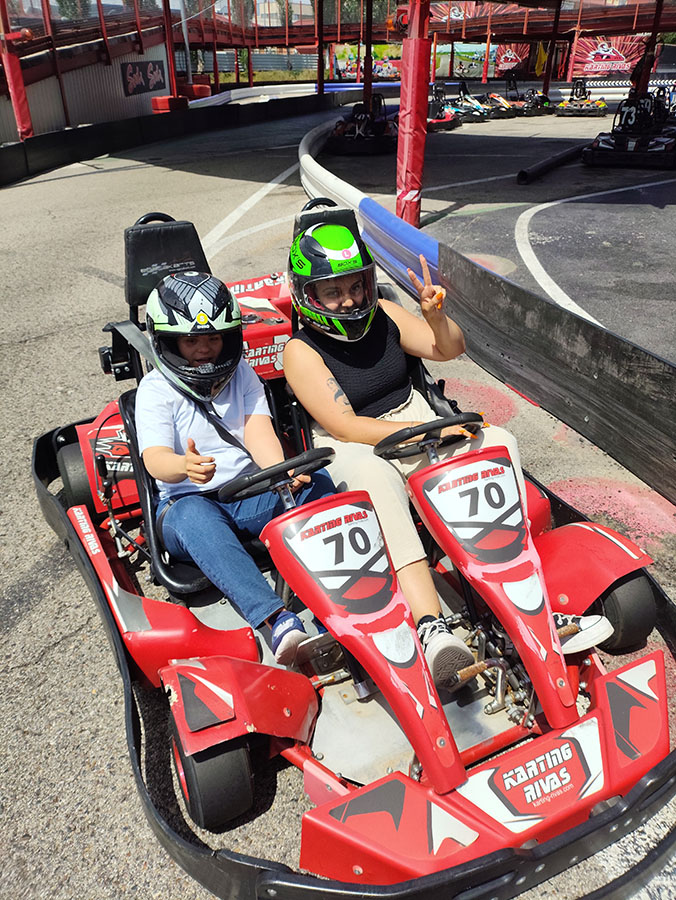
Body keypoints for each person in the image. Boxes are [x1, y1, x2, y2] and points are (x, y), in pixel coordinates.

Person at [283, 219, 614, 688]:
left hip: (413, 415)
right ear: (308, 294)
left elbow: (449, 349)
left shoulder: (385, 314)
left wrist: (434, 316)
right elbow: (344, 424)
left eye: (355, 286)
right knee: (375, 482)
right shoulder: (300, 351)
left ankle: (526, 602)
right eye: (333, 292)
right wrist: (428, 432)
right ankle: (430, 625)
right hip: (352, 442)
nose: (350, 301)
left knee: (497, 443)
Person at [135, 271, 334, 665]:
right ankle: (276, 619)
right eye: (191, 340)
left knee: (318, 483)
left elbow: (258, 433)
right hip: (186, 503)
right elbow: (155, 460)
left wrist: (282, 472)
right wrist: (184, 465)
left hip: (247, 491)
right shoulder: (155, 391)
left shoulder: (242, 374)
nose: (204, 349)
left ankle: (338, 597)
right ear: (169, 342)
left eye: (213, 338)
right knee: (195, 518)